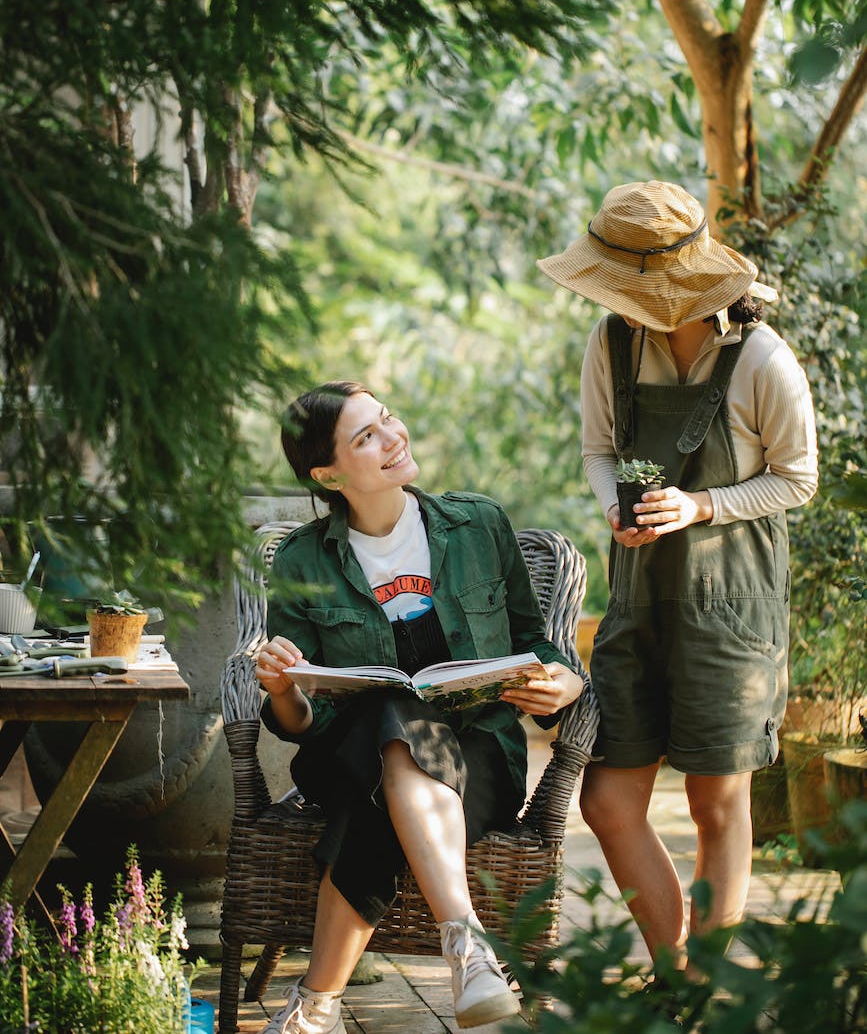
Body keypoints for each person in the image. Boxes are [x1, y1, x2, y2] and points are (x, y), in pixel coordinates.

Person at [537, 180, 818, 977]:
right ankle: (672, 962)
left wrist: (699, 506)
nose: (615, 303)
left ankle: (698, 983)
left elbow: (797, 479)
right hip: (637, 601)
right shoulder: (611, 342)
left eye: (627, 289)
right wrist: (612, 510)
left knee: (714, 800)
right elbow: (598, 453)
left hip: (732, 605)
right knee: (607, 798)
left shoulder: (761, 356)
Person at [255, 381, 584, 1034]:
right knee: (390, 721)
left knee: (374, 806)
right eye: (365, 436)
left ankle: (314, 1007)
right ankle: (467, 946)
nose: (392, 435)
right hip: (344, 757)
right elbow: (300, 726)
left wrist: (564, 684)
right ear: (327, 473)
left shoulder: (478, 524)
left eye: (387, 419)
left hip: (480, 757)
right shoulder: (301, 560)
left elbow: (537, 642)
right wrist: (281, 688)